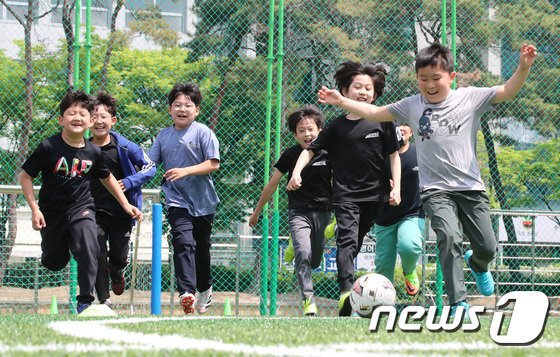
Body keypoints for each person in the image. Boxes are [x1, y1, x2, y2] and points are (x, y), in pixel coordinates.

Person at [318, 43, 538, 316]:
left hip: (471, 188)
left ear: (452, 77)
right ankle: (458, 303)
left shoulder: (469, 98)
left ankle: (479, 264)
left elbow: (507, 91)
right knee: (448, 236)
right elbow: (374, 113)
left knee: (488, 247)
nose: (430, 85)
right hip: (435, 190)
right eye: (423, 79)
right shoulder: (412, 105)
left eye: (436, 78)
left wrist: (523, 67)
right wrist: (342, 101)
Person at [287, 61, 402, 317]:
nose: (363, 92)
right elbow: (310, 151)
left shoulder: (383, 121)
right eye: (357, 87)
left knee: (356, 241)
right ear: (345, 90)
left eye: (368, 88)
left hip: (376, 195)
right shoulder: (336, 127)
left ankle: (340, 240)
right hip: (345, 196)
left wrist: (397, 189)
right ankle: (346, 293)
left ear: (375, 93)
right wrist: (296, 172)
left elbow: (394, 155)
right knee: (347, 243)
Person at [19, 90, 142, 314]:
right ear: (61, 120)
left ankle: (85, 300)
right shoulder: (49, 147)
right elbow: (26, 176)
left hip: (82, 208)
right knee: (53, 262)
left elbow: (107, 178)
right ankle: (61, 247)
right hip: (52, 213)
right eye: (71, 113)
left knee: (89, 246)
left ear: (90, 120)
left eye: (82, 114)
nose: (77, 117)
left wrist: (126, 204)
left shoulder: (93, 152)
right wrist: (34, 209)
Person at [249, 105, 332, 316]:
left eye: (311, 129)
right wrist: (257, 211)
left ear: (320, 130)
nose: (307, 134)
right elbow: (272, 184)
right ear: (295, 134)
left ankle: (296, 247)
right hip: (299, 212)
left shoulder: (329, 152)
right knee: (303, 253)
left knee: (314, 260)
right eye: (301, 130)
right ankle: (308, 299)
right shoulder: (290, 155)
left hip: (323, 212)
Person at [148, 82, 220, 315]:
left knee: (201, 249)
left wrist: (185, 170)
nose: (182, 109)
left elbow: (213, 163)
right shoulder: (163, 136)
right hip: (176, 199)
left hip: (203, 202)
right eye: (177, 105)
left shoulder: (203, 133)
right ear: (170, 109)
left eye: (188, 105)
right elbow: (149, 164)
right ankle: (186, 292)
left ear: (197, 110)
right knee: (182, 241)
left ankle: (205, 289)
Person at [90, 92, 156, 307]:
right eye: (93, 116)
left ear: (113, 120)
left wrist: (129, 182)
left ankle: (116, 271)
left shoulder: (125, 147)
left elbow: (150, 167)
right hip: (92, 210)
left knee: (118, 256)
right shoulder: (81, 148)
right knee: (97, 252)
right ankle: (103, 299)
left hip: (122, 211)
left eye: (103, 117)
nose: (98, 121)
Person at [373, 124, 424, 296]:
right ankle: (383, 304)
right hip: (384, 217)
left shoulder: (421, 153)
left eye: (405, 126)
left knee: (409, 246)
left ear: (411, 132)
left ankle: (409, 270)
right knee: (383, 267)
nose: (400, 130)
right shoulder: (379, 155)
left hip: (412, 212)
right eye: (396, 126)